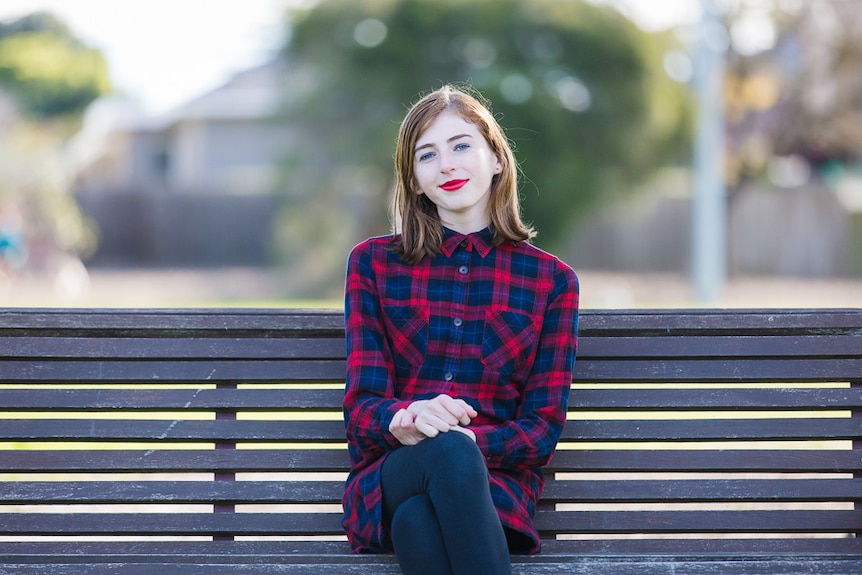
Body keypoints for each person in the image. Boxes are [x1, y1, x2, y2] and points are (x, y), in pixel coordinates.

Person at [341, 84, 579, 575]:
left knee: (417, 521)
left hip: (495, 493)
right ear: (413, 181)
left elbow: (541, 429)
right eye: (427, 155)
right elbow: (362, 408)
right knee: (436, 462)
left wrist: (474, 445)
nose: (446, 165)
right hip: (396, 472)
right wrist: (406, 417)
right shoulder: (373, 264)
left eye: (461, 146)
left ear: (496, 159)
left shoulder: (552, 282)